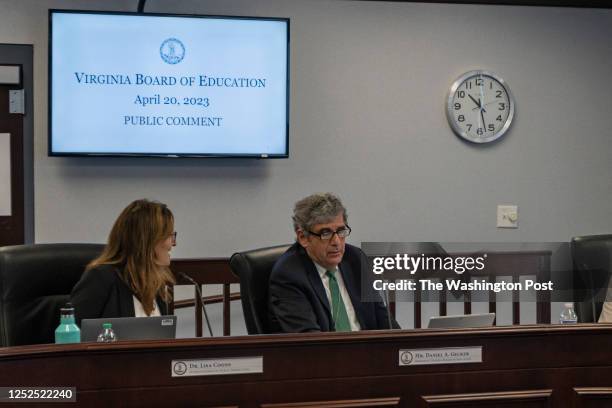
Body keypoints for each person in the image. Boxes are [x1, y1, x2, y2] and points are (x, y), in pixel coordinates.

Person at [268, 192, 399, 333]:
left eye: (341, 231)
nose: (336, 242)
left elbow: (384, 320)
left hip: (368, 351)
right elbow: (308, 339)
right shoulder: (289, 275)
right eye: (326, 233)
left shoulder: (355, 259)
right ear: (303, 237)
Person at [71, 199, 176, 324]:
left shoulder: (156, 284)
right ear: (148, 241)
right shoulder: (101, 278)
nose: (173, 243)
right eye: (170, 235)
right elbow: (71, 337)